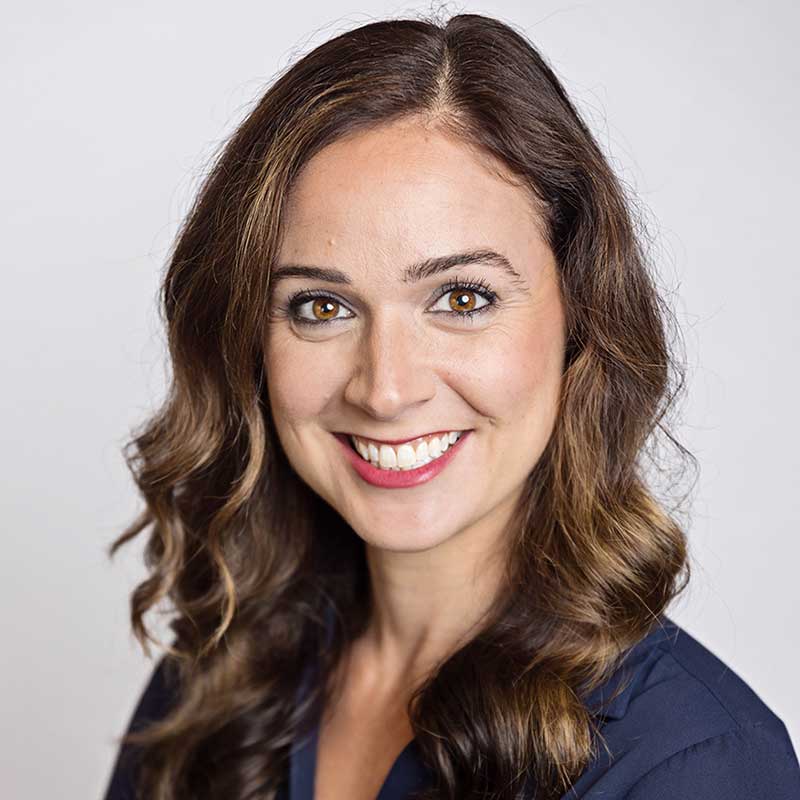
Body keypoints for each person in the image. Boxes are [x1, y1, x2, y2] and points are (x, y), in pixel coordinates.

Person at [101, 11, 800, 800]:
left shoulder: (696, 763)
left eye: (462, 298)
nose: (386, 387)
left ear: (581, 318)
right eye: (321, 307)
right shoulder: (215, 679)